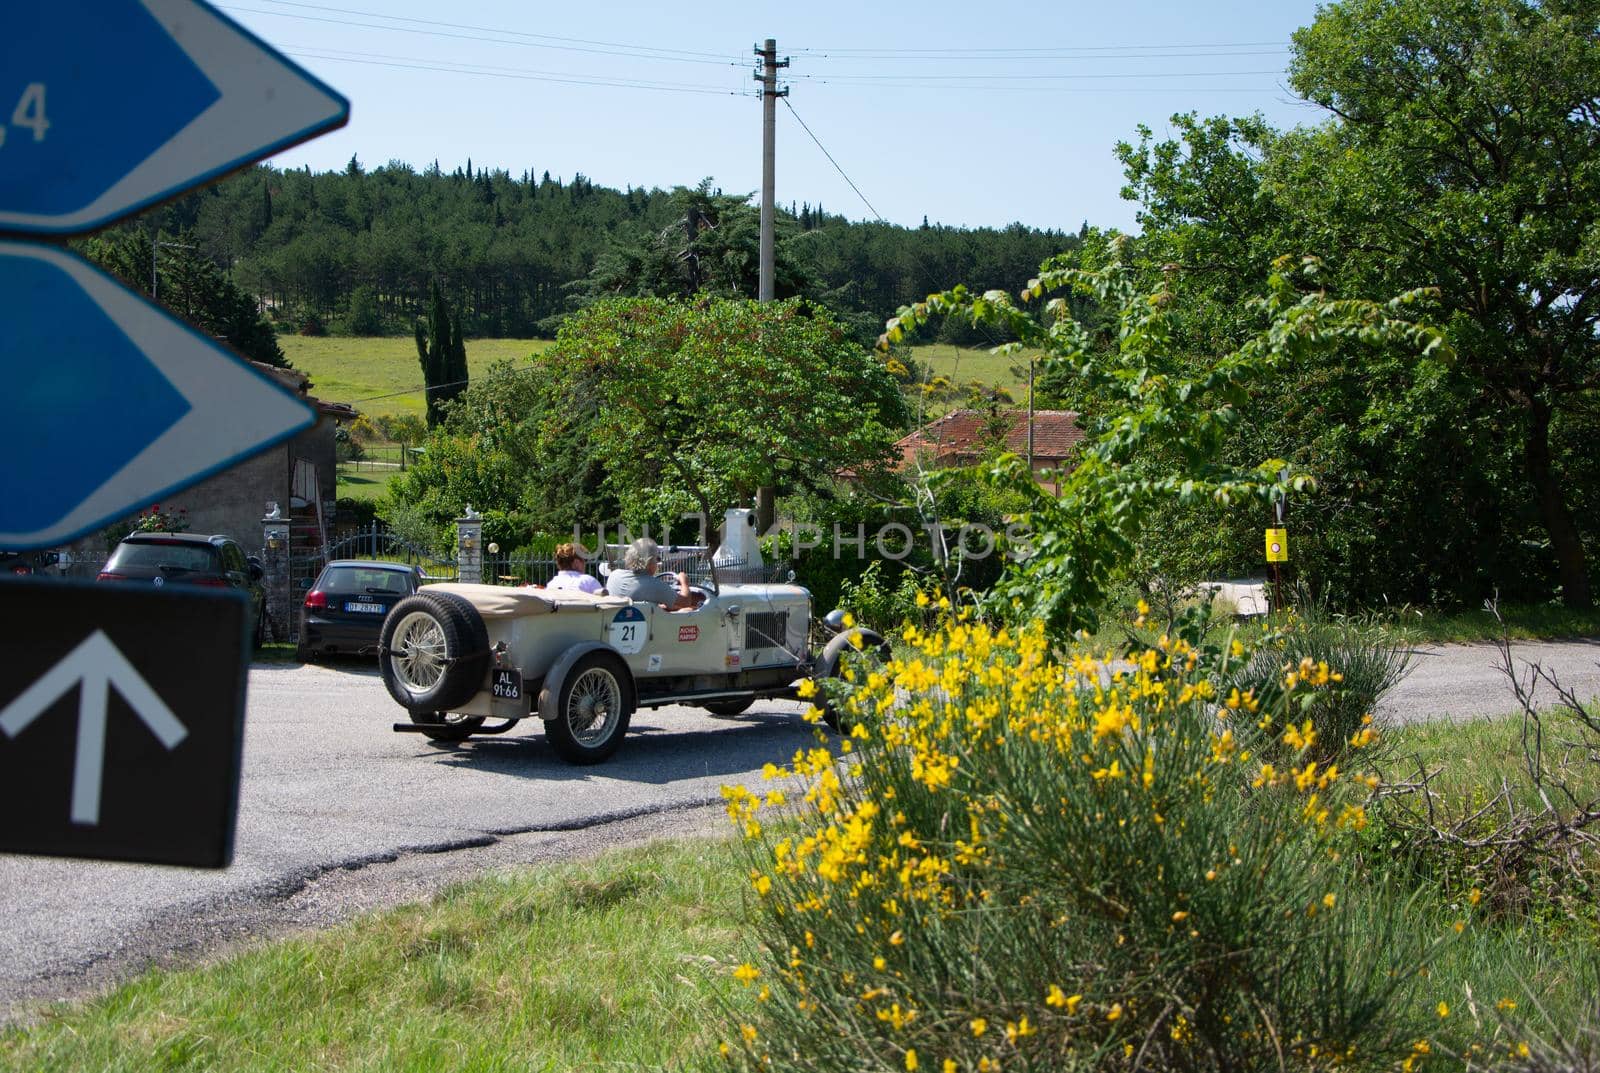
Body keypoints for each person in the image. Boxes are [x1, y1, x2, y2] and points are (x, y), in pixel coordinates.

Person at [605, 537, 700, 611]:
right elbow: (685, 602)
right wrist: (684, 582)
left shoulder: (614, 575)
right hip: (647, 630)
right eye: (657, 559)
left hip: (616, 623)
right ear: (649, 561)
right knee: (689, 609)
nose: (658, 563)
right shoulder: (655, 585)